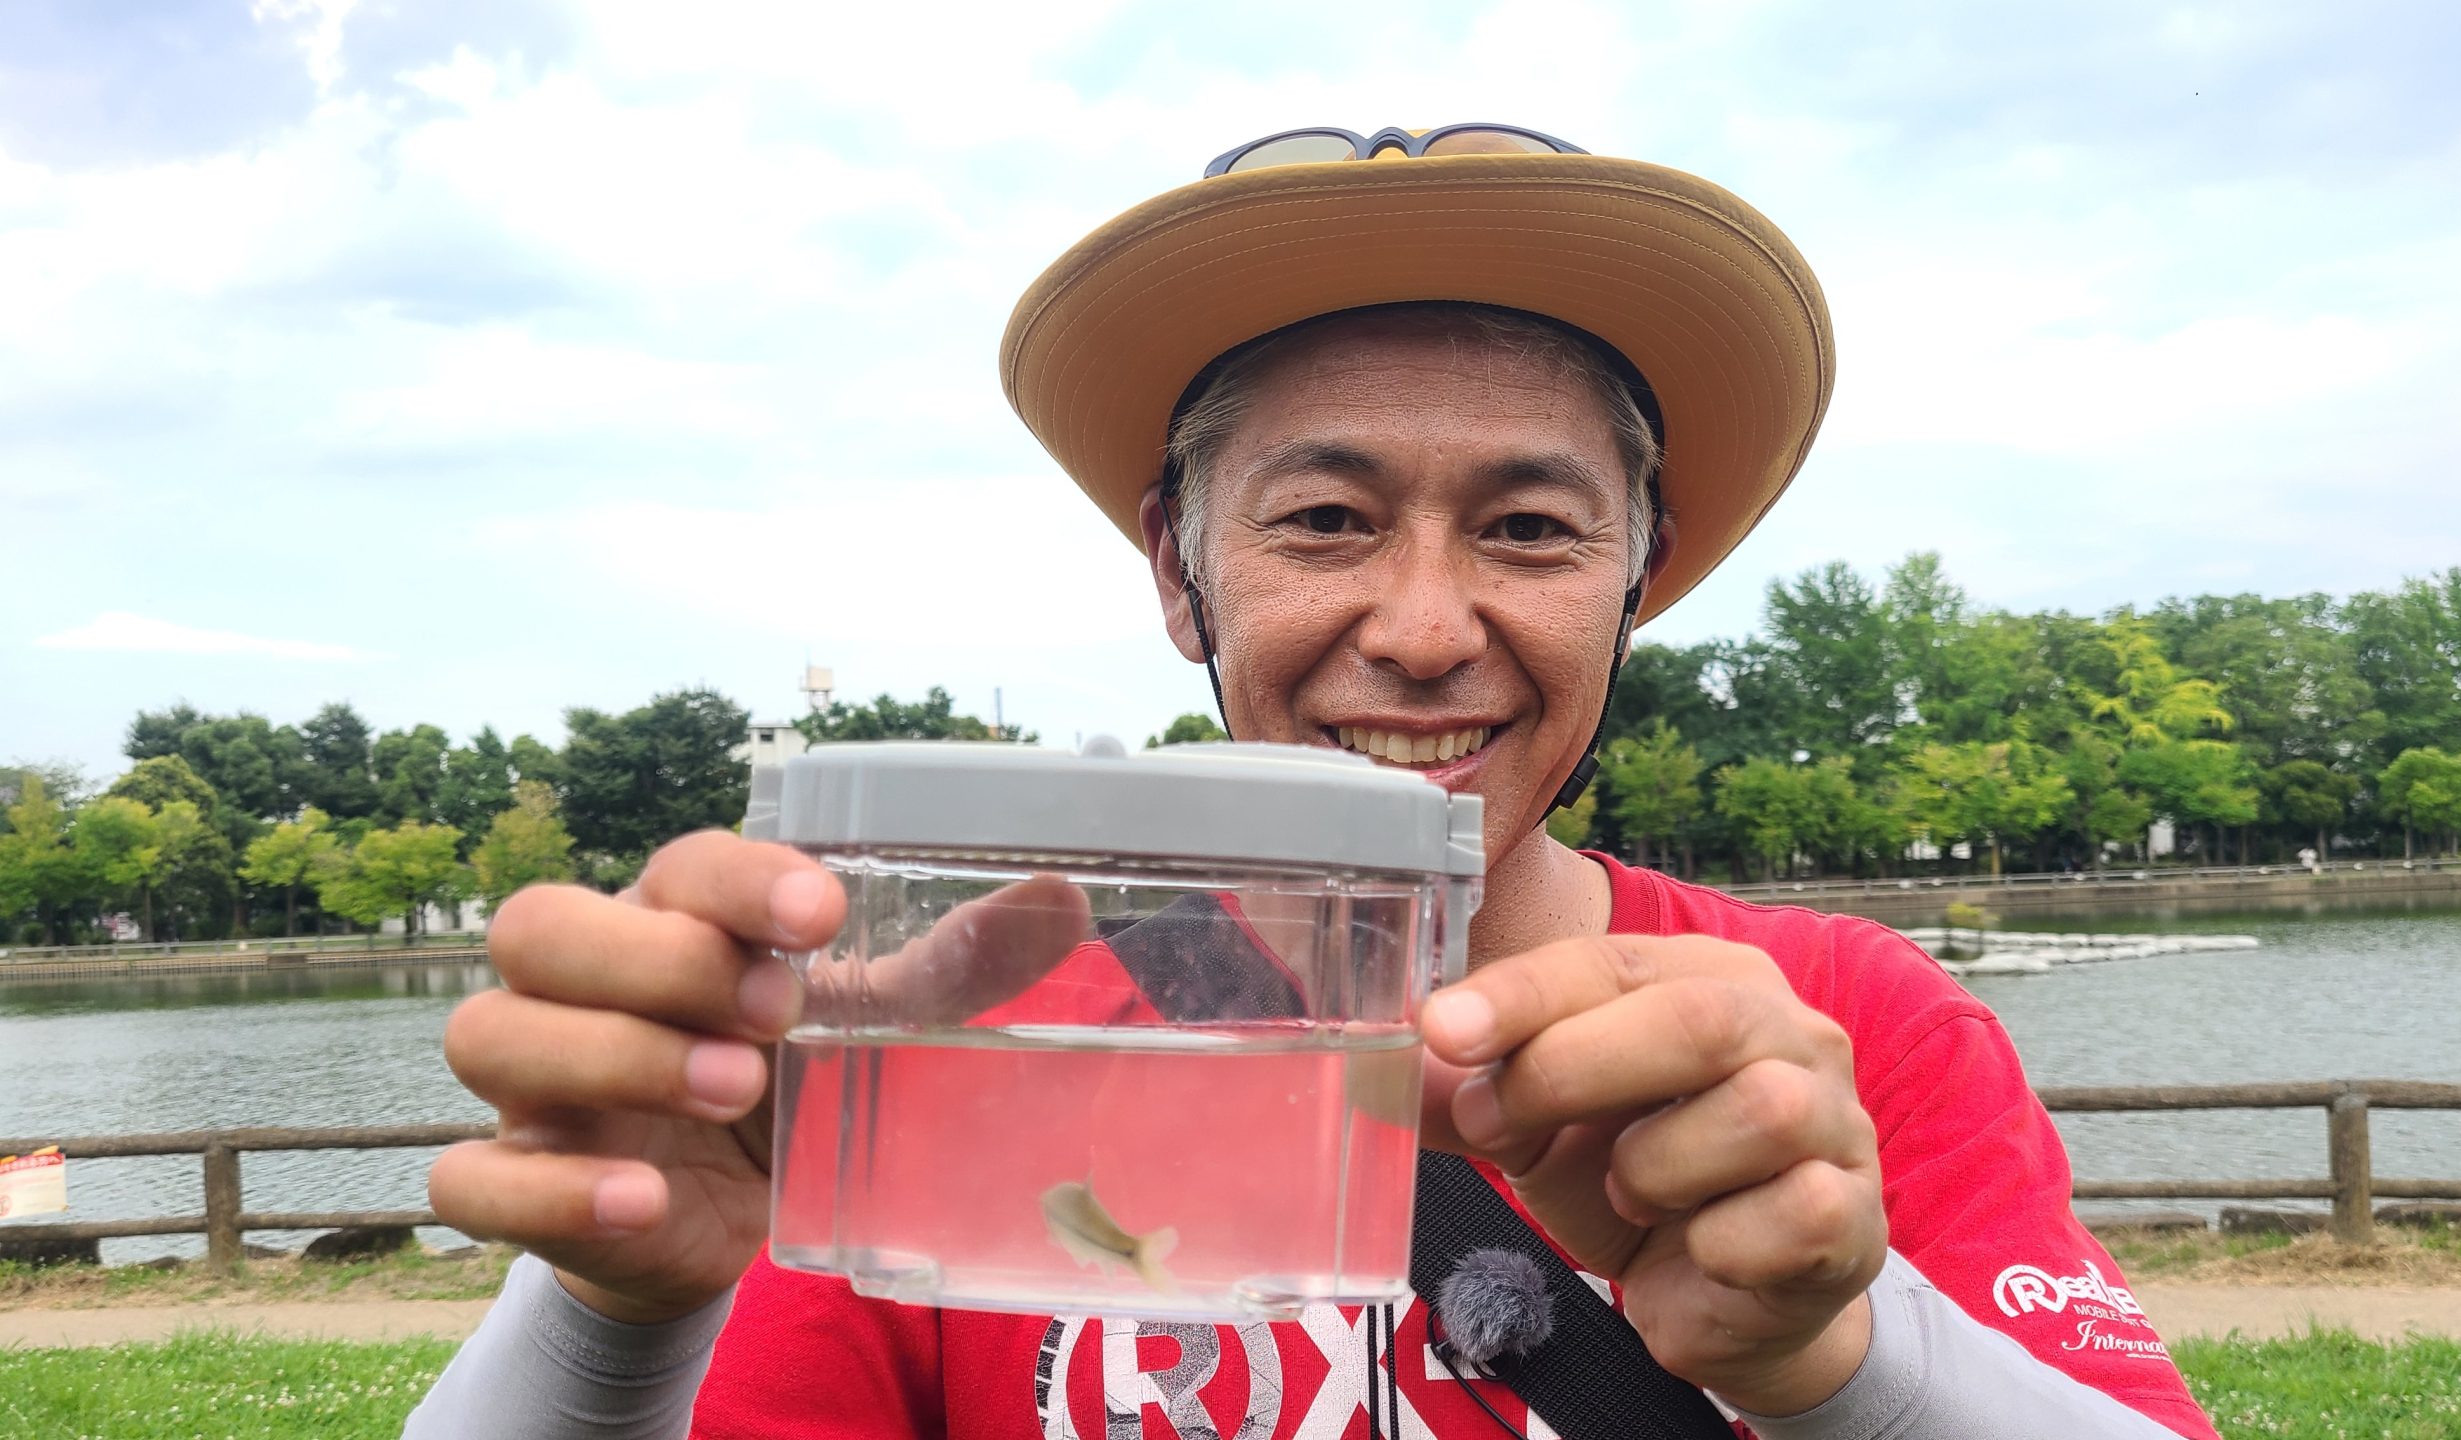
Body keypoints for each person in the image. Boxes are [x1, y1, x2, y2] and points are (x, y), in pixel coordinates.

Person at [408, 125, 2220, 1440]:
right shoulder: (941, 1070)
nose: (1427, 629)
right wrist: (617, 1308)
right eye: (1324, 520)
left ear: (1635, 579)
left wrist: (1844, 1360)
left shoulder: (1841, 1029)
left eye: (1528, 527)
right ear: (1179, 573)